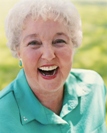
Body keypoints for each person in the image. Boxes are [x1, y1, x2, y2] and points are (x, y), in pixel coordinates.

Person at [0, 0, 106, 132]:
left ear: (73, 44)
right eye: (34, 43)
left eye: (59, 41)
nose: (49, 55)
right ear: (18, 51)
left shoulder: (94, 87)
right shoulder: (2, 115)